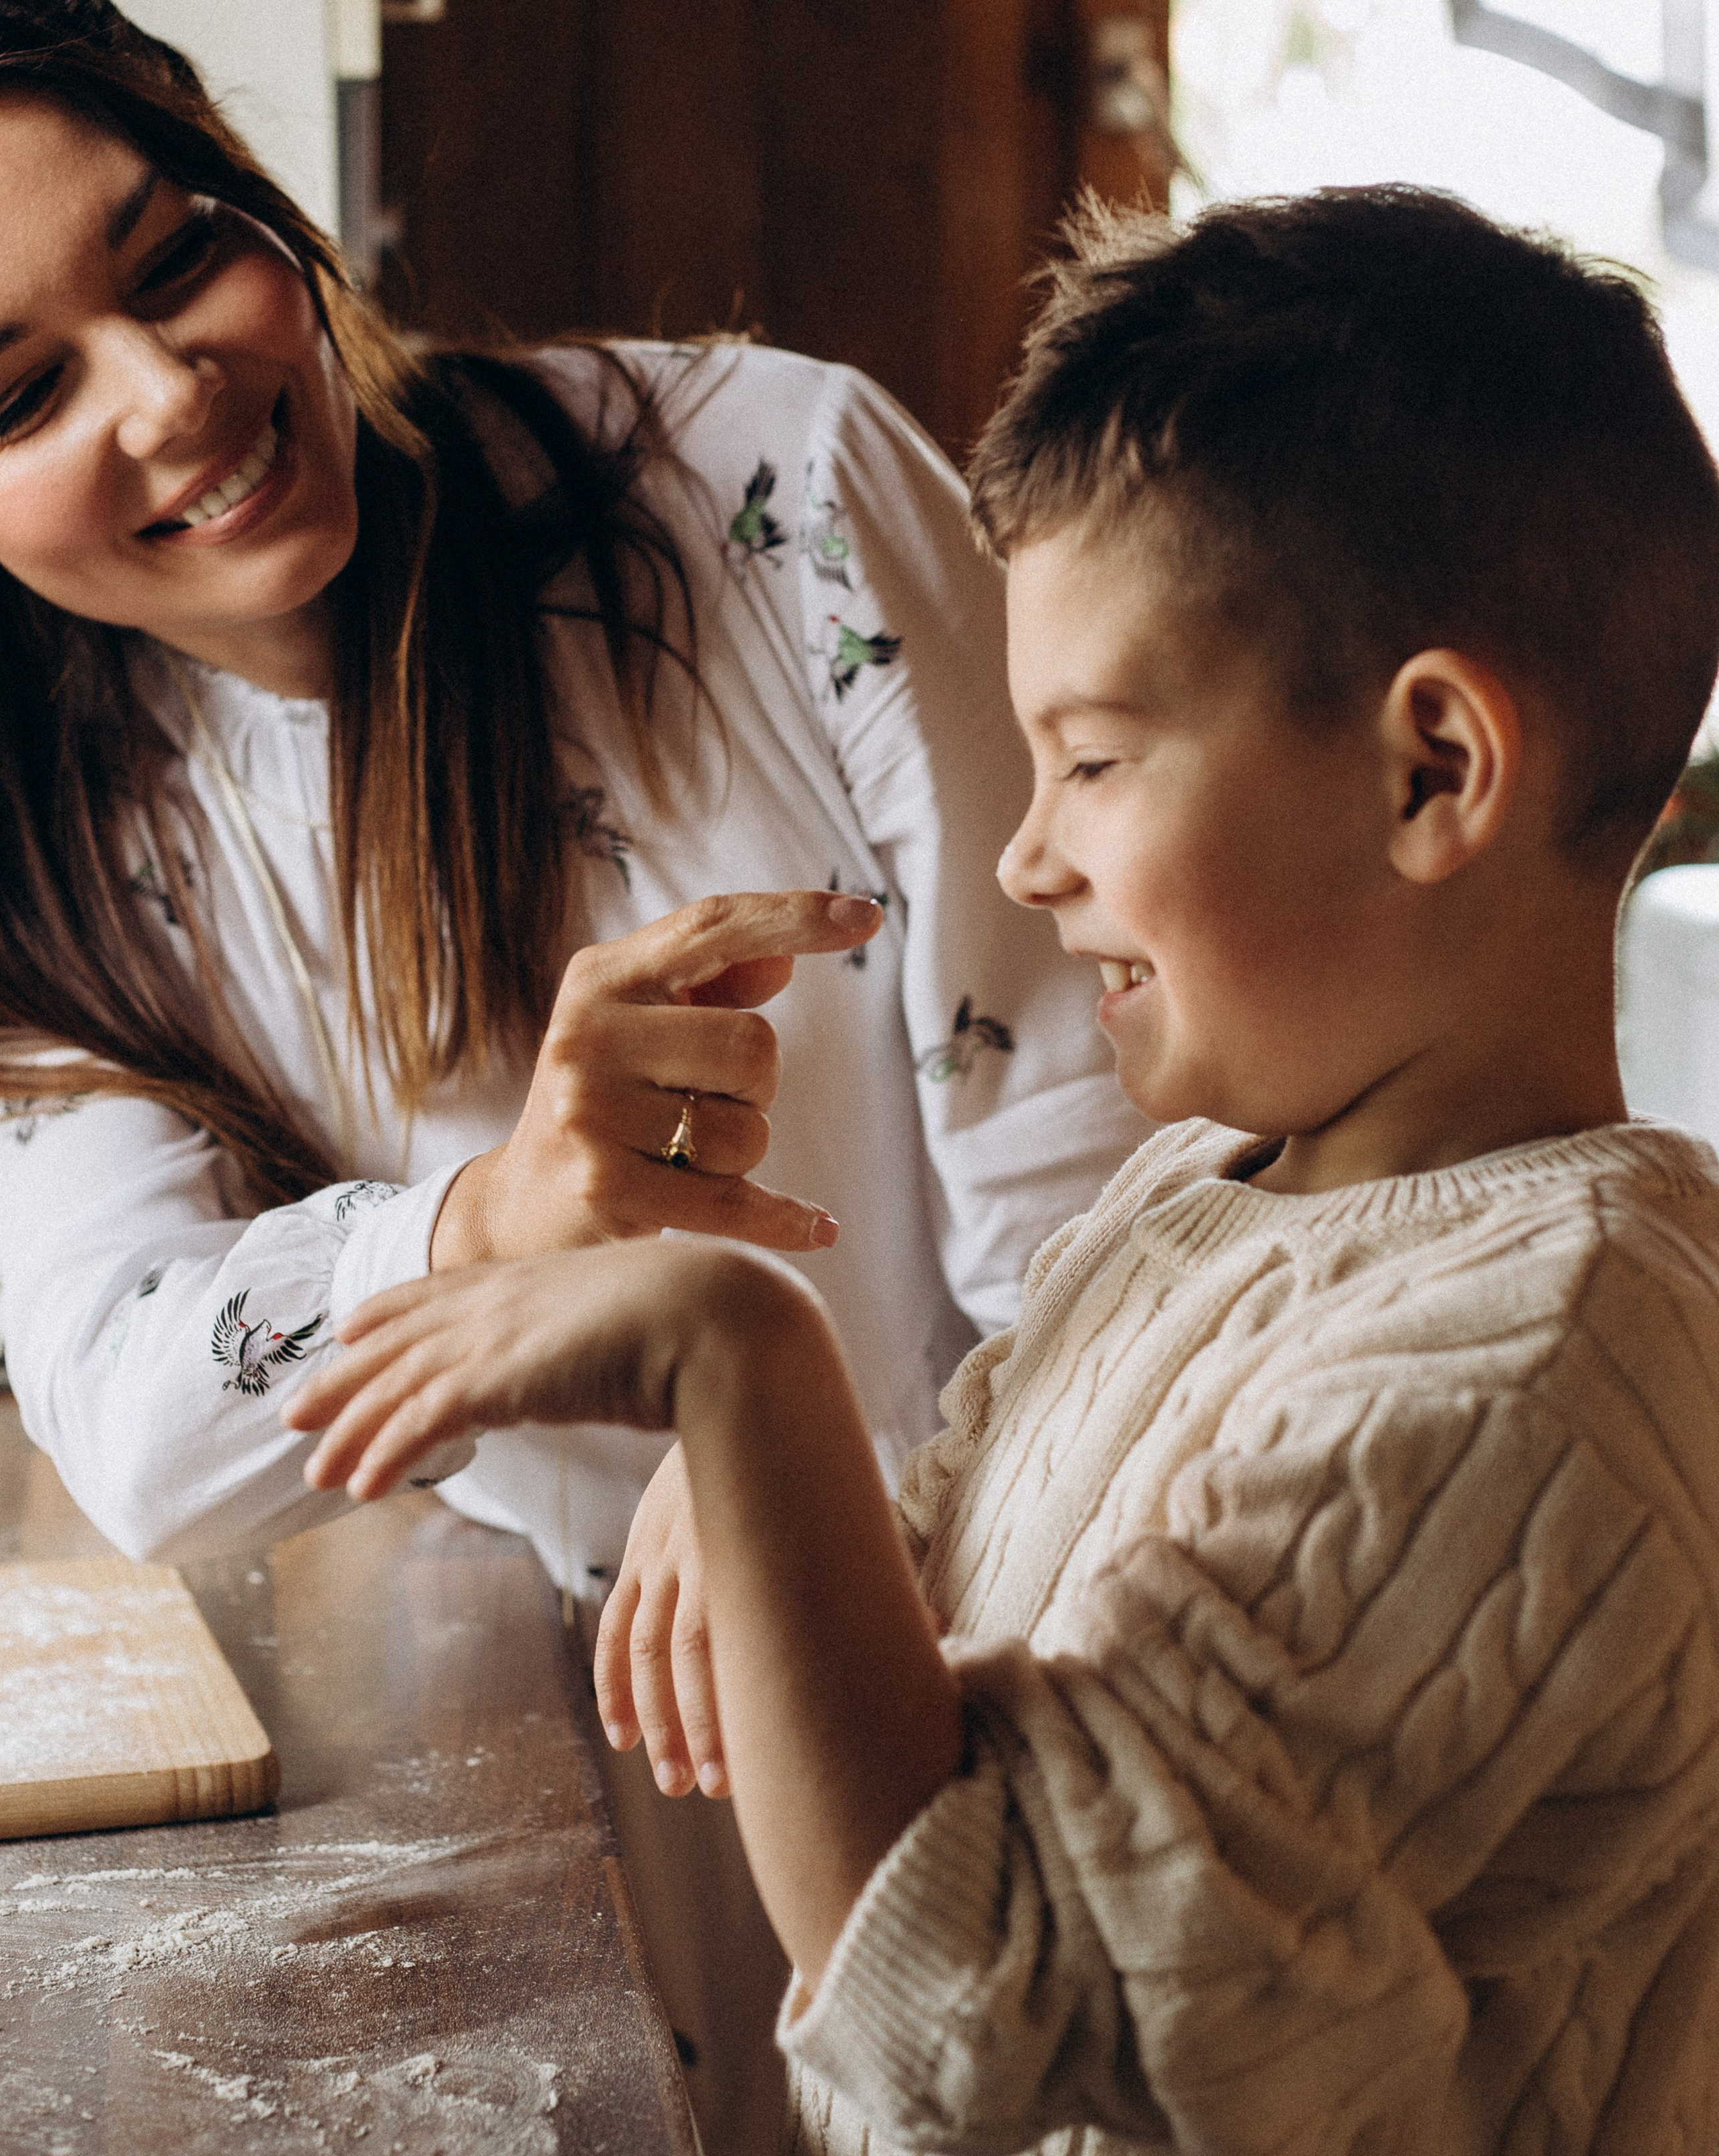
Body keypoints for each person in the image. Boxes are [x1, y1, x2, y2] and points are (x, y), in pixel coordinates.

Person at [293, 185, 1719, 2156]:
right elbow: (984, 1645)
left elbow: (977, 2011)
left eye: (1097, 758)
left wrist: (740, 1357)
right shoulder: (1206, 1193)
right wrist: (807, 1508)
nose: (1030, 856)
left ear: (1432, 774)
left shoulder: (1534, 1367)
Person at [0, 0, 1144, 2153]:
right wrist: (489, 1219)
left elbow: (1115, 1179)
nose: (168, 394)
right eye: (18, 395)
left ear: (253, 191)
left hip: (1043, 1633)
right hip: (605, 1738)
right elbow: (140, 1414)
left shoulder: (768, 493)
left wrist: (811, 1458)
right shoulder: (55, 863)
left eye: (179, 263)